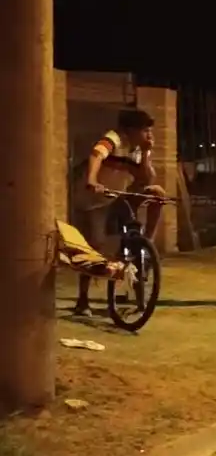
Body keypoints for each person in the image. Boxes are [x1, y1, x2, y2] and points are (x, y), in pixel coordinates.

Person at [72, 108, 167, 317]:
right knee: (93, 247)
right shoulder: (113, 138)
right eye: (145, 130)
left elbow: (145, 179)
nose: (149, 135)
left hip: (119, 195)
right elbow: (96, 155)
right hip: (95, 200)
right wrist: (92, 180)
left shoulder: (141, 148)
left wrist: (144, 155)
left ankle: (146, 247)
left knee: (157, 193)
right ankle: (83, 299)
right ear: (130, 130)